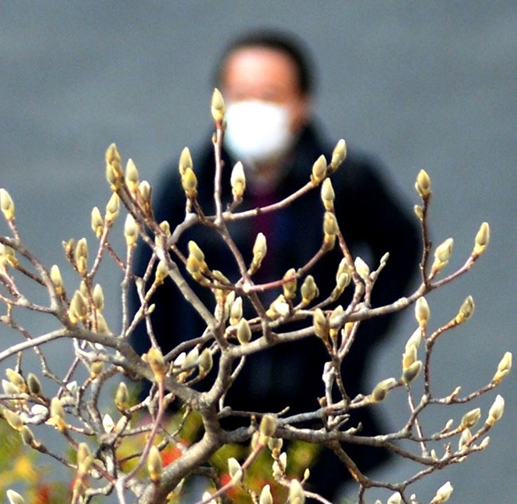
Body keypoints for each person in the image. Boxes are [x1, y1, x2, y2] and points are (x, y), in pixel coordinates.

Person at [131, 29, 421, 499]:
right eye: (241, 95)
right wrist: (154, 397)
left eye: (270, 95)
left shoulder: (343, 181)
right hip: (211, 406)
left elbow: (404, 245)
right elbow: (148, 288)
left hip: (312, 406)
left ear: (301, 103)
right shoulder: (189, 187)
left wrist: (357, 332)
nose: (254, 108)